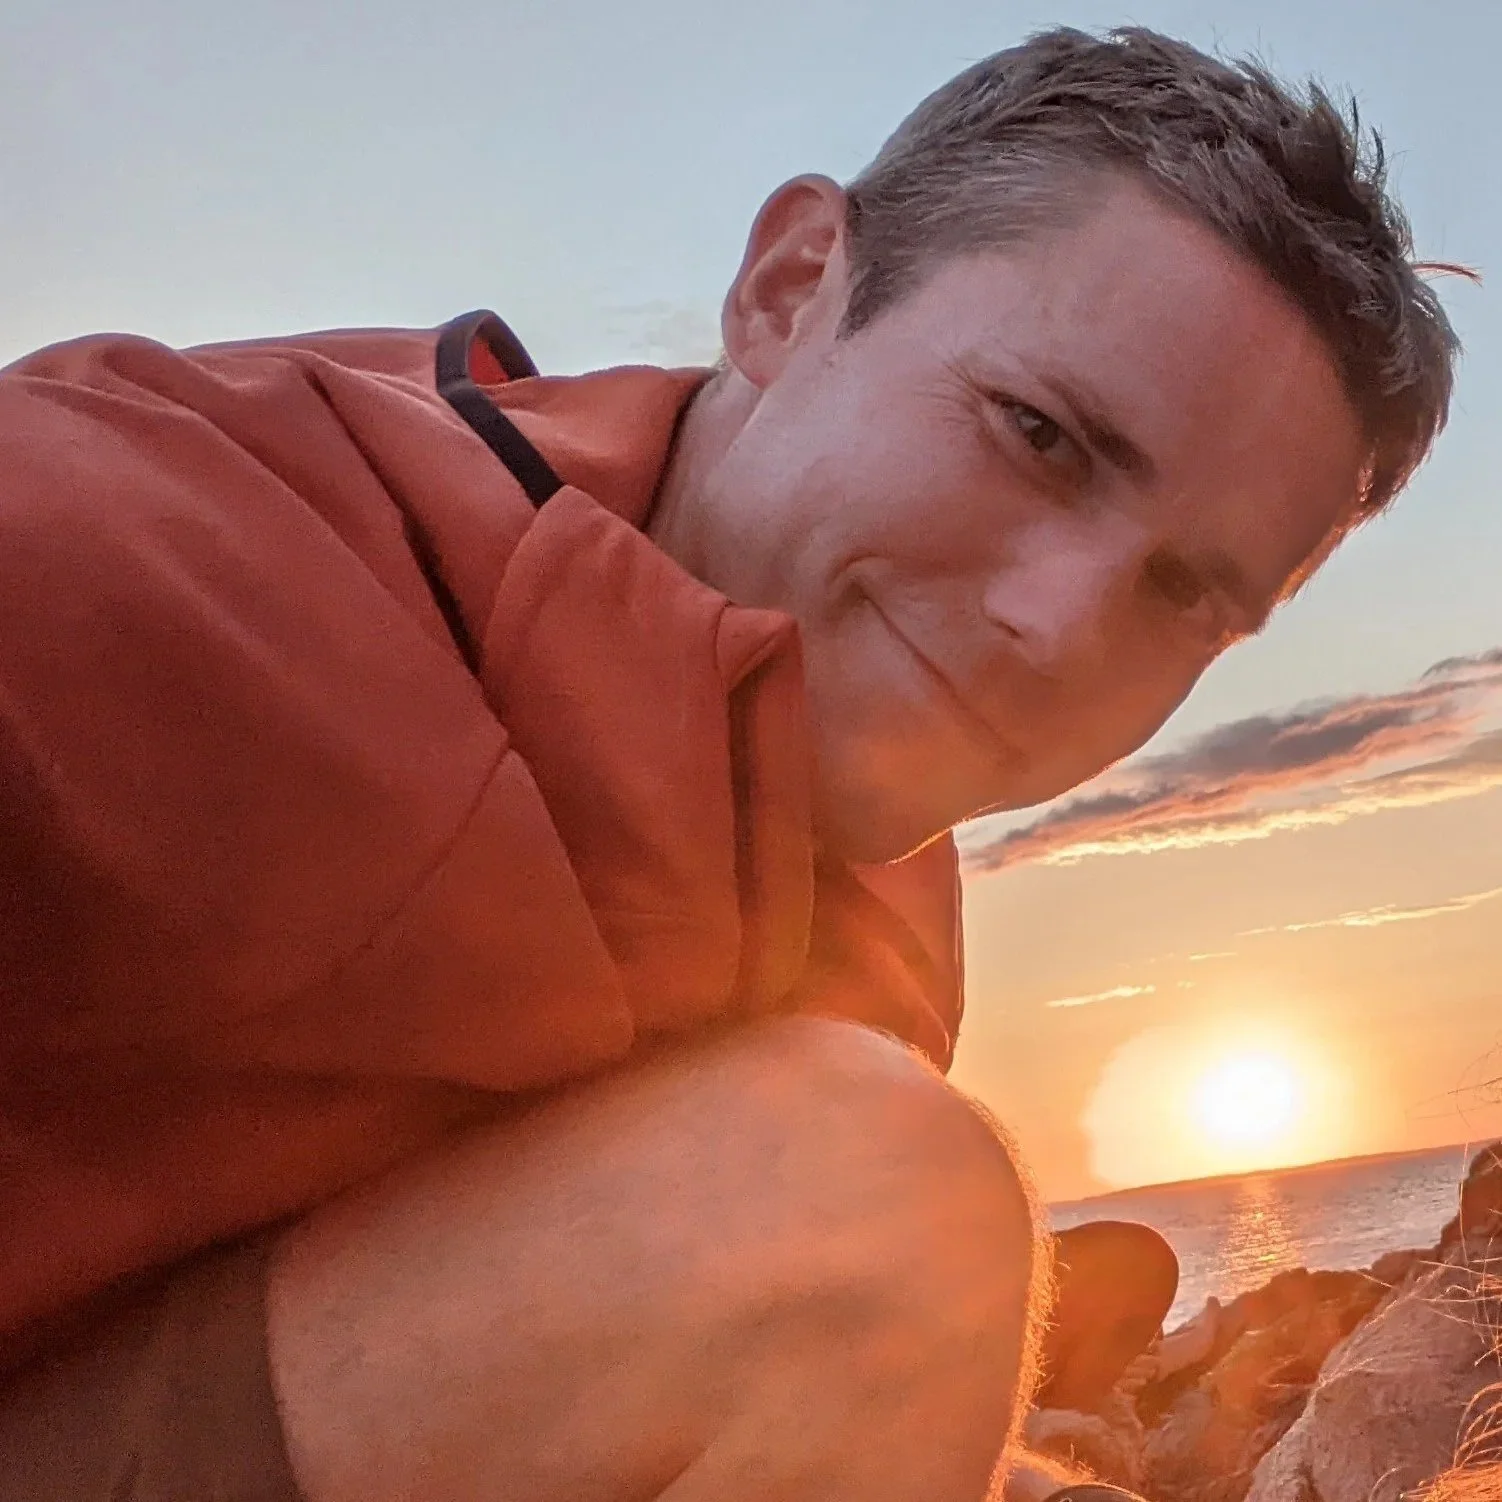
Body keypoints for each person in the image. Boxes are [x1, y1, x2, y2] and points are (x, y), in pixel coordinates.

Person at [0, 23, 1460, 1502]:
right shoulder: (165, 547)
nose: (1055, 627)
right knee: (871, 1200)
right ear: (785, 292)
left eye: (1182, 596)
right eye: (1040, 437)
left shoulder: (861, 864)